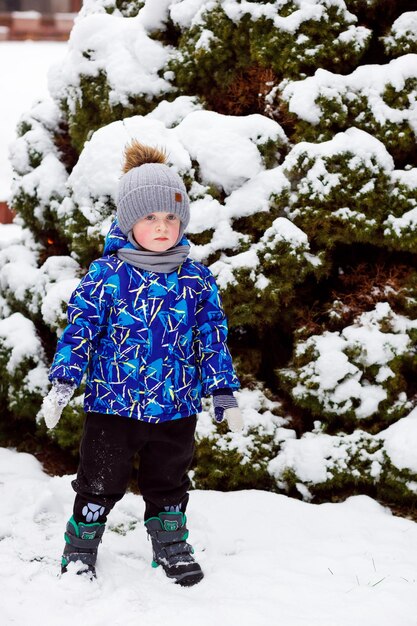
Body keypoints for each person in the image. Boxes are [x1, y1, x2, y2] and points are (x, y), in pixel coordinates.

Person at [42, 141, 243, 587]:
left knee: (169, 481)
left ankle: (169, 543)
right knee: (98, 479)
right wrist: (63, 382)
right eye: (150, 217)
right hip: (114, 405)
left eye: (171, 217)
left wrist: (222, 390)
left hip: (176, 405)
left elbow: (212, 335)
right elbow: (80, 331)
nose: (162, 226)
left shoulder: (196, 278)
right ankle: (81, 545)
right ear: (129, 220)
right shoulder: (106, 275)